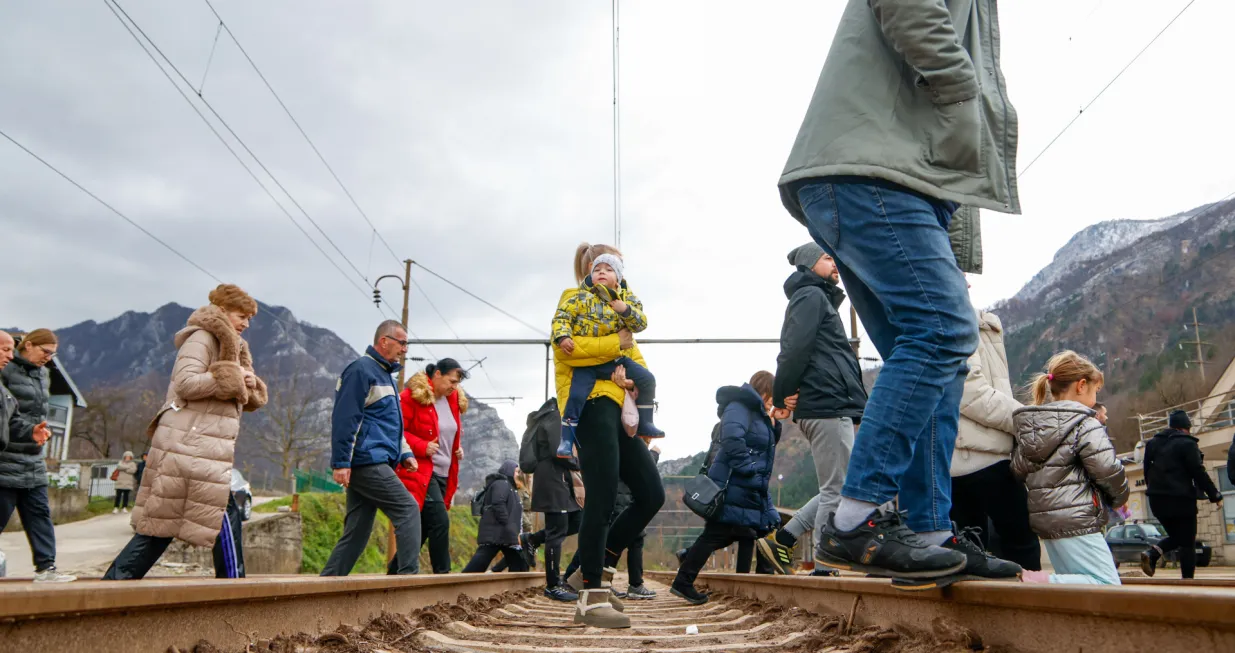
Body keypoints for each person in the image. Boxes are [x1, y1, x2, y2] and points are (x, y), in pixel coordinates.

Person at [780, 0, 1021, 581]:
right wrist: (964, 95)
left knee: (941, 359)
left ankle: (930, 528)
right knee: (943, 332)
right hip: (874, 173)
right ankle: (853, 520)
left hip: (882, 177)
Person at [105, 285, 268, 580]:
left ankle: (111, 586)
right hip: (190, 445)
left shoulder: (234, 346)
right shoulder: (202, 337)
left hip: (199, 447)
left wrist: (247, 381)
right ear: (222, 311)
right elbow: (186, 383)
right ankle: (235, 590)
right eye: (241, 316)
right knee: (222, 512)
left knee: (162, 525)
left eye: (249, 318)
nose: (246, 323)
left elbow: (241, 395)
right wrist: (232, 375)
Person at [553, 242, 665, 628]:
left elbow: (637, 360)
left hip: (621, 408)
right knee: (601, 498)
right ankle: (590, 596)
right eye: (602, 265)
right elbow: (569, 352)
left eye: (615, 266)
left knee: (652, 494)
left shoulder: (624, 308)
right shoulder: (574, 300)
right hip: (590, 405)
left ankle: (598, 567)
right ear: (590, 267)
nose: (608, 271)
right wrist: (614, 347)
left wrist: (630, 375)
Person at [759, 243, 866, 575]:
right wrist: (780, 396)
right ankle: (824, 562)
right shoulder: (810, 297)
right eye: (826, 257)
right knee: (838, 487)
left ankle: (787, 539)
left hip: (831, 403)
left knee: (842, 484)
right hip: (827, 405)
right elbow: (792, 350)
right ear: (809, 265)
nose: (834, 262)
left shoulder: (817, 298)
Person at [1013, 351, 1128, 585]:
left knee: (1077, 589)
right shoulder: (1085, 423)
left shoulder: (1033, 428)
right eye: (1096, 391)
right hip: (1078, 519)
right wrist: (1120, 497)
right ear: (1081, 385)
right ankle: (1039, 582)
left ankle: (1044, 582)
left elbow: (1018, 468)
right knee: (1107, 584)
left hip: (1046, 522)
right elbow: (1106, 468)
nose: (1097, 398)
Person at [672, 372, 787, 604]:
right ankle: (683, 581)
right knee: (721, 534)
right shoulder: (739, 406)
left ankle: (759, 585)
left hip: (749, 488)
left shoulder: (758, 413)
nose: (772, 403)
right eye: (772, 397)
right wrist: (749, 470)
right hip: (735, 485)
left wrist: (774, 423)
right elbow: (733, 440)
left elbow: (764, 445)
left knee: (761, 529)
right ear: (765, 391)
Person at [320, 320, 421, 577]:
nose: (405, 349)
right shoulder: (360, 371)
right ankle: (407, 580)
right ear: (384, 341)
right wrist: (341, 462)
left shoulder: (384, 375)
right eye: (402, 343)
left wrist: (405, 452)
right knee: (407, 509)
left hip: (375, 458)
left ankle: (327, 583)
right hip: (366, 460)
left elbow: (389, 424)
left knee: (357, 532)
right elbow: (345, 419)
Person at [948, 308, 1041, 570]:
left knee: (975, 552)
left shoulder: (982, 324)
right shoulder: (959, 320)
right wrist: (1025, 420)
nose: (966, 281)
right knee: (1019, 546)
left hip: (975, 451)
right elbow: (969, 392)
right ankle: (1027, 609)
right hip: (979, 455)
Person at [552, 252, 661, 459]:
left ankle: (646, 422)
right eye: (598, 269)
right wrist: (563, 336)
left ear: (619, 277)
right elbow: (562, 318)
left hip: (615, 362)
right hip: (588, 368)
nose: (603, 272)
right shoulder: (579, 297)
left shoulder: (626, 299)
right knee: (575, 397)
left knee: (647, 379)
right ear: (590, 270)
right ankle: (566, 439)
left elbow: (640, 324)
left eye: (610, 269)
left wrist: (625, 310)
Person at [0, 329, 73, 583]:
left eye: (53, 355)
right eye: (45, 352)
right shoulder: (5, 369)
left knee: (39, 514)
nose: (49, 359)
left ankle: (46, 568)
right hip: (6, 458)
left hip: (33, 456)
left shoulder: (43, 375)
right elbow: (7, 414)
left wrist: (37, 431)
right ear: (28, 346)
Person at [395, 359, 469, 575]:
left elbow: (448, 431)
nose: (454, 387)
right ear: (437, 374)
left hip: (446, 472)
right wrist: (421, 446)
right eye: (451, 381)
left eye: (457, 383)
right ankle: (442, 577)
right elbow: (397, 430)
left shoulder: (453, 398)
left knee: (425, 527)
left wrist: (457, 448)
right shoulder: (412, 397)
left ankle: (394, 573)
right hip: (422, 471)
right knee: (440, 522)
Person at [562, 436, 660, 599]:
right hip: (622, 499)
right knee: (615, 540)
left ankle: (584, 578)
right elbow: (639, 469)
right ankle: (628, 584)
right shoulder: (629, 440)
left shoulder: (624, 438)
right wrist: (655, 454)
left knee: (608, 539)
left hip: (623, 498)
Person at [1141, 410, 1223, 579]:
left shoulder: (1152, 444)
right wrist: (1214, 494)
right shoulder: (1187, 443)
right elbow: (1198, 472)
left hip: (1156, 501)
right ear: (1186, 428)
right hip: (1181, 500)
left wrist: (1155, 490)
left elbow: (1147, 471)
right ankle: (1187, 584)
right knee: (1187, 543)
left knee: (1178, 537)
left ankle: (1154, 553)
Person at [518, 399, 583, 601]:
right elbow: (559, 451)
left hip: (558, 480)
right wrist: (579, 463)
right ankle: (553, 585)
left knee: (577, 521)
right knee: (557, 532)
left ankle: (533, 538)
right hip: (553, 480)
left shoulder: (555, 416)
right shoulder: (555, 417)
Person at [462, 460, 528, 572]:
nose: (518, 475)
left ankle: (517, 587)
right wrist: (510, 526)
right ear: (509, 471)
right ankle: (459, 584)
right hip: (496, 534)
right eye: (516, 472)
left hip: (505, 536)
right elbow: (498, 504)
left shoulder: (511, 488)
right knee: (477, 565)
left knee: (521, 564)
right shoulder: (501, 483)